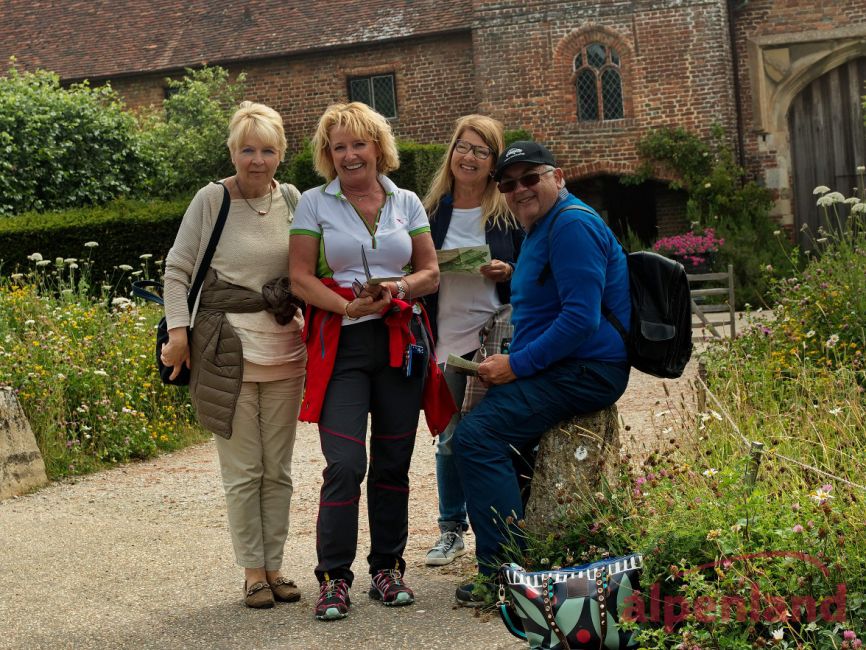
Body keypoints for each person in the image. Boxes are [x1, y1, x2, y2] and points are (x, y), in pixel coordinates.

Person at [451, 141, 632, 604]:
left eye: (531, 178)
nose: (519, 189)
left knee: (476, 438)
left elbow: (579, 318)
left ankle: (505, 576)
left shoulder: (570, 225)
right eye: (509, 183)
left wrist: (516, 365)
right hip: (568, 364)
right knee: (495, 435)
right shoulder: (541, 226)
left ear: (558, 177)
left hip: (589, 369)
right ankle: (527, 556)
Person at [289, 102, 441, 621]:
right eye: (339, 147)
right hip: (344, 345)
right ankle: (333, 578)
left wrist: (396, 286)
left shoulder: (408, 201)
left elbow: (430, 272)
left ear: (378, 147)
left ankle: (387, 569)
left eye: (359, 144)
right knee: (346, 465)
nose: (350, 155)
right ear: (328, 156)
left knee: (393, 462)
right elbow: (300, 279)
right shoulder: (313, 203)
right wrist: (348, 305)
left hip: (401, 343)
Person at [162, 101, 307, 609]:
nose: (257, 160)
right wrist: (178, 334)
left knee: (279, 469)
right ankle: (253, 573)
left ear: (281, 154)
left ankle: (276, 564)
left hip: (287, 349)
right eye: (247, 149)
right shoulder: (211, 199)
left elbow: (311, 269)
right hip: (226, 349)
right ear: (232, 151)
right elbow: (177, 270)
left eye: (267, 150)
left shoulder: (291, 198)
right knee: (244, 469)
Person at [421, 115, 524, 566]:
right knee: (448, 437)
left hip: (494, 335)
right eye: (463, 147)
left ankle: (500, 530)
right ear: (452, 153)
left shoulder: (507, 212)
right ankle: (450, 529)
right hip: (445, 338)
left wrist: (509, 272)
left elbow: (534, 275)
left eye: (481, 151)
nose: (469, 157)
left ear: (493, 163)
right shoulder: (431, 211)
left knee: (488, 437)